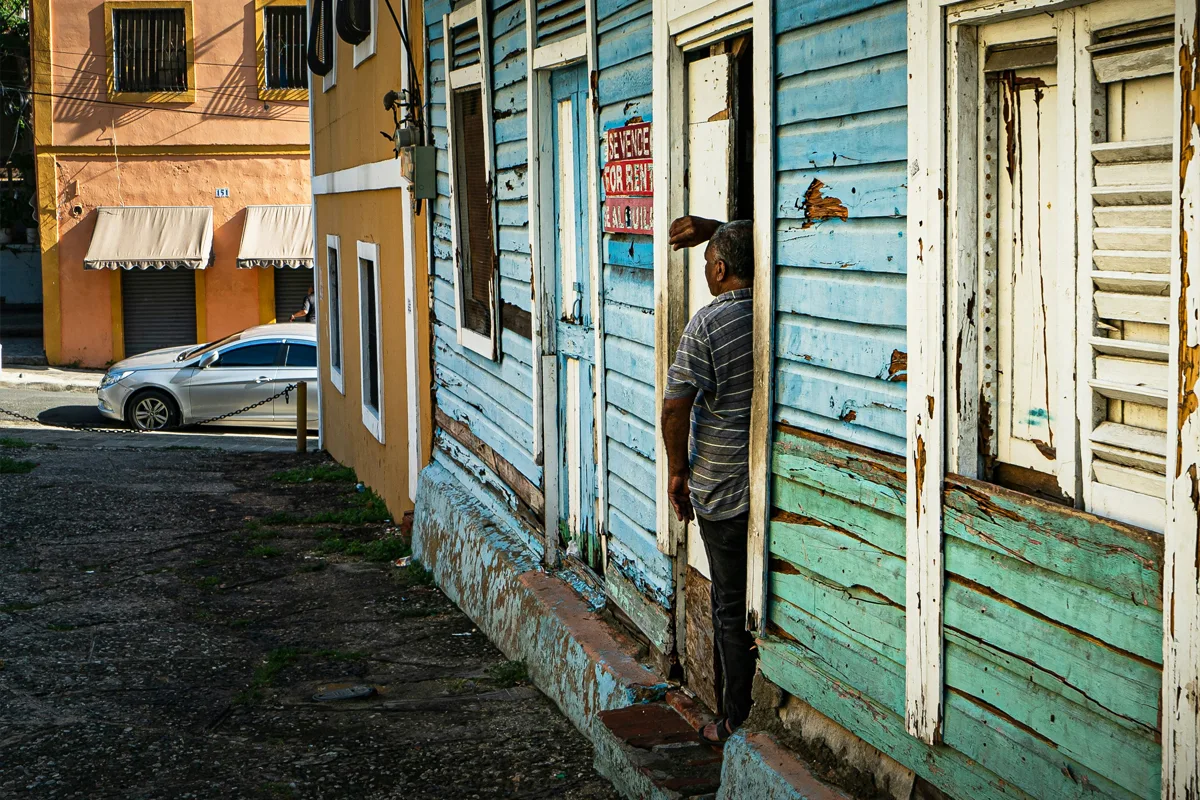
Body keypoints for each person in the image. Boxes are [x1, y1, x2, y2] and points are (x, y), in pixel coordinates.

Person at [662, 214, 756, 744]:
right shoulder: (770, 300)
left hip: (720, 488)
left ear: (719, 269)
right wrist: (718, 228)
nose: (704, 273)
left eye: (706, 264)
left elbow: (676, 407)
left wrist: (678, 471)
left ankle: (732, 719)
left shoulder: (708, 323)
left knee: (728, 605)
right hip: (763, 487)